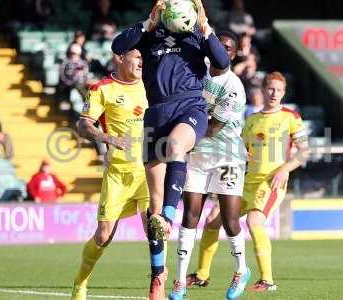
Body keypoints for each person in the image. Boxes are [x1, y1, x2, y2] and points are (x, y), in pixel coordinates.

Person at [111, 1, 230, 299]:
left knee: (176, 145)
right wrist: (146, 23)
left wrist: (206, 29)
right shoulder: (149, 34)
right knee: (152, 204)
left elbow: (222, 63)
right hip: (156, 114)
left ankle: (168, 214)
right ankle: (157, 275)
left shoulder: (195, 35)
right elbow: (117, 45)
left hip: (190, 106)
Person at [186, 72, 310, 293]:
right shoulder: (251, 120)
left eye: (279, 90)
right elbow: (241, 149)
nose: (274, 93)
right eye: (270, 88)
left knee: (254, 221)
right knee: (213, 219)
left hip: (270, 182)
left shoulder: (290, 117)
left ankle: (268, 280)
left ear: (284, 92)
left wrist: (283, 169)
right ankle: (202, 275)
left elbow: (304, 152)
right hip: (245, 181)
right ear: (262, 90)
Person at [168, 31, 250, 300]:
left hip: (227, 156)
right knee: (190, 215)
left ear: (233, 54)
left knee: (229, 220)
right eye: (219, 46)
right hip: (198, 157)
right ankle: (179, 280)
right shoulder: (197, 74)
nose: (222, 50)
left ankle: (241, 269)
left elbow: (212, 127)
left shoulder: (234, 85)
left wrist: (183, 133)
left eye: (228, 48)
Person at [70, 49, 149, 300]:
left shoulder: (152, 84)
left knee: (155, 230)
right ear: (120, 57)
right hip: (117, 174)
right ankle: (80, 283)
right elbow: (82, 124)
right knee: (103, 236)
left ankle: (159, 287)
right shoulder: (101, 88)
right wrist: (108, 139)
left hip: (148, 172)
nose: (140, 61)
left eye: (142, 57)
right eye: (136, 56)